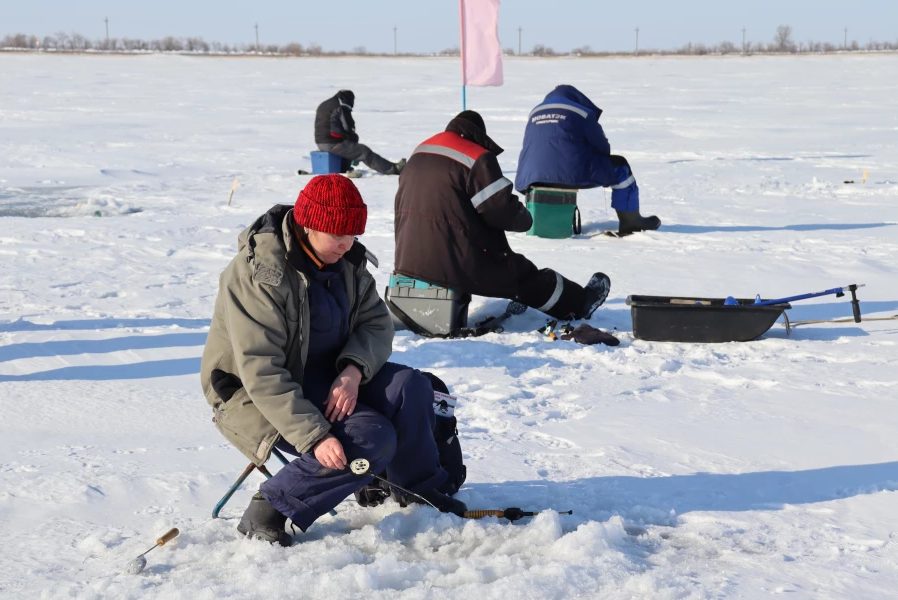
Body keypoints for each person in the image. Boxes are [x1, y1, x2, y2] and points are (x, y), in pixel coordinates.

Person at [200, 175, 465, 547]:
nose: (346, 244)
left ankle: (417, 490)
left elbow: (376, 323)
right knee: (371, 437)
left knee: (413, 387)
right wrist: (315, 435)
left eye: (353, 235)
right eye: (337, 234)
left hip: (327, 375)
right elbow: (260, 368)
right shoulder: (261, 274)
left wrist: (353, 369)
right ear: (308, 225)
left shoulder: (347, 262)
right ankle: (270, 507)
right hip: (252, 392)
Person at [393, 110, 610, 322]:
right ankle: (580, 304)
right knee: (523, 276)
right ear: (478, 135)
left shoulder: (420, 151)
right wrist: (525, 217)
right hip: (452, 260)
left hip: (407, 260)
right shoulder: (475, 156)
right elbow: (500, 210)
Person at [515, 85, 661, 236]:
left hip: (529, 177)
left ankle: (540, 218)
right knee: (620, 167)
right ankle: (632, 220)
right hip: (569, 173)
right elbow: (602, 148)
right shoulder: (581, 112)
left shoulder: (534, 113)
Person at [314, 90, 406, 176]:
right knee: (363, 151)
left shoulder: (326, 104)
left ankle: (344, 168)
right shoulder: (341, 106)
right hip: (332, 143)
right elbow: (348, 127)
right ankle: (393, 169)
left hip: (321, 142)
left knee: (351, 142)